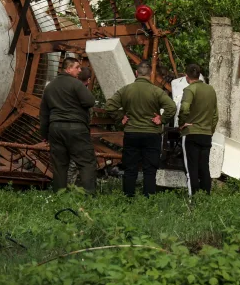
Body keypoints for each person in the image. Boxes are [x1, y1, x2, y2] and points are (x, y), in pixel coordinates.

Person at [106, 62, 177, 197]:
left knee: (130, 167)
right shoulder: (156, 91)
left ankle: (128, 196)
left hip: (132, 133)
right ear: (150, 75)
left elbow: (109, 105)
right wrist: (161, 119)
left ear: (136, 73)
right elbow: (172, 107)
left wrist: (121, 117)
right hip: (151, 134)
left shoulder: (126, 90)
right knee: (150, 168)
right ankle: (148, 197)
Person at [39, 57, 97, 193]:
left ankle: (60, 194)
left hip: (55, 129)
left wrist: (44, 135)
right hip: (76, 128)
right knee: (86, 162)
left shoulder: (50, 87)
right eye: (77, 67)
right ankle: (89, 195)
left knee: (59, 165)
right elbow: (90, 101)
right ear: (68, 68)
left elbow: (44, 114)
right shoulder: (76, 84)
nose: (79, 70)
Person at [178, 63, 218, 195]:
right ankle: (206, 196)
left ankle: (193, 198)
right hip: (206, 134)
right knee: (204, 168)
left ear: (186, 76)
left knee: (192, 168)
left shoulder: (189, 90)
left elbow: (184, 108)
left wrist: (181, 123)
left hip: (192, 132)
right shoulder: (211, 90)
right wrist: (209, 130)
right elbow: (215, 115)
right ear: (199, 74)